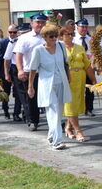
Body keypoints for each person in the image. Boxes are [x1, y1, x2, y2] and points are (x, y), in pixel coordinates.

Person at [26, 23, 72, 151]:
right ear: (44, 37)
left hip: (61, 82)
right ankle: (57, 141)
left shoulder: (61, 46)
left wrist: (69, 77)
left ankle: (51, 135)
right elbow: (33, 69)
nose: (54, 39)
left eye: (56, 36)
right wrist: (30, 86)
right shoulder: (38, 50)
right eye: (51, 36)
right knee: (54, 111)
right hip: (47, 85)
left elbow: (66, 63)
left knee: (58, 113)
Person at [10, 14, 47, 131]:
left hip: (46, 72)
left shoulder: (48, 36)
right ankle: (33, 120)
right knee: (32, 97)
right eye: (38, 22)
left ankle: (53, 120)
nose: (40, 25)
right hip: (31, 73)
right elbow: (18, 55)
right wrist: (20, 70)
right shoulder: (25, 38)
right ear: (32, 24)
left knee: (49, 97)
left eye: (42, 22)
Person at [61, 26, 95, 142]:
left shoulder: (80, 48)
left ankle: (68, 127)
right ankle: (78, 130)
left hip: (80, 77)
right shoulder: (59, 48)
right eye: (67, 34)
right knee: (70, 104)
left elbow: (87, 65)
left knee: (76, 104)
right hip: (66, 78)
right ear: (61, 36)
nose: (70, 36)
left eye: (72, 34)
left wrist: (94, 80)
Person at [0, 24, 19, 120]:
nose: (12, 34)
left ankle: (16, 113)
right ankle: (5, 110)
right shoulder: (3, 42)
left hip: (16, 70)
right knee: (6, 93)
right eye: (10, 32)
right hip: (5, 71)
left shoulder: (20, 41)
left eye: (14, 32)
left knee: (17, 93)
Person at [73, 19, 95, 116]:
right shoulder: (73, 39)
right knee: (77, 89)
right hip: (77, 68)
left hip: (89, 67)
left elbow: (94, 53)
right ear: (77, 27)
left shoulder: (90, 39)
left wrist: (93, 64)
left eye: (86, 27)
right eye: (82, 27)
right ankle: (76, 108)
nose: (84, 29)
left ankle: (89, 109)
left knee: (90, 88)